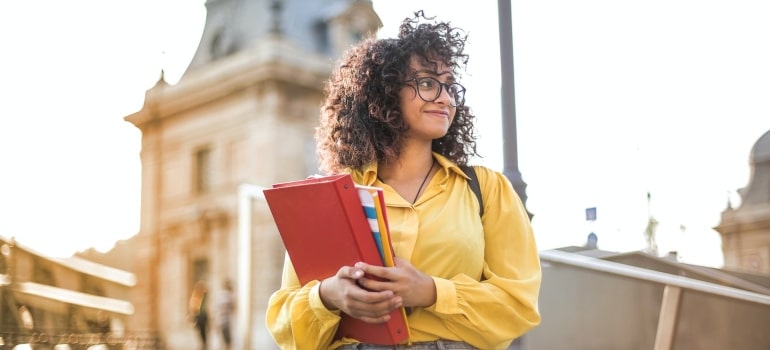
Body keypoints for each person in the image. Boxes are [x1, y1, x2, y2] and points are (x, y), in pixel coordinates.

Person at [266, 11, 541, 349]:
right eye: (427, 83)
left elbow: (519, 306)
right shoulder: (335, 196)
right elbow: (285, 326)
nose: (445, 97)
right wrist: (328, 296)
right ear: (386, 94)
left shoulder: (486, 190)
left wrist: (431, 291)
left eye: (450, 86)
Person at [189, 280, 209, 349]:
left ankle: (204, 345)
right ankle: (203, 345)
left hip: (203, 316)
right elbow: (193, 308)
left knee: (203, 332)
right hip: (199, 317)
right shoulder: (195, 297)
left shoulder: (203, 297)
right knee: (201, 332)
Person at [217, 279, 236, 349]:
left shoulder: (220, 295)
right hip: (226, 322)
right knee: (228, 343)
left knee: (223, 342)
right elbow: (234, 308)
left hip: (220, 322)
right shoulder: (228, 296)